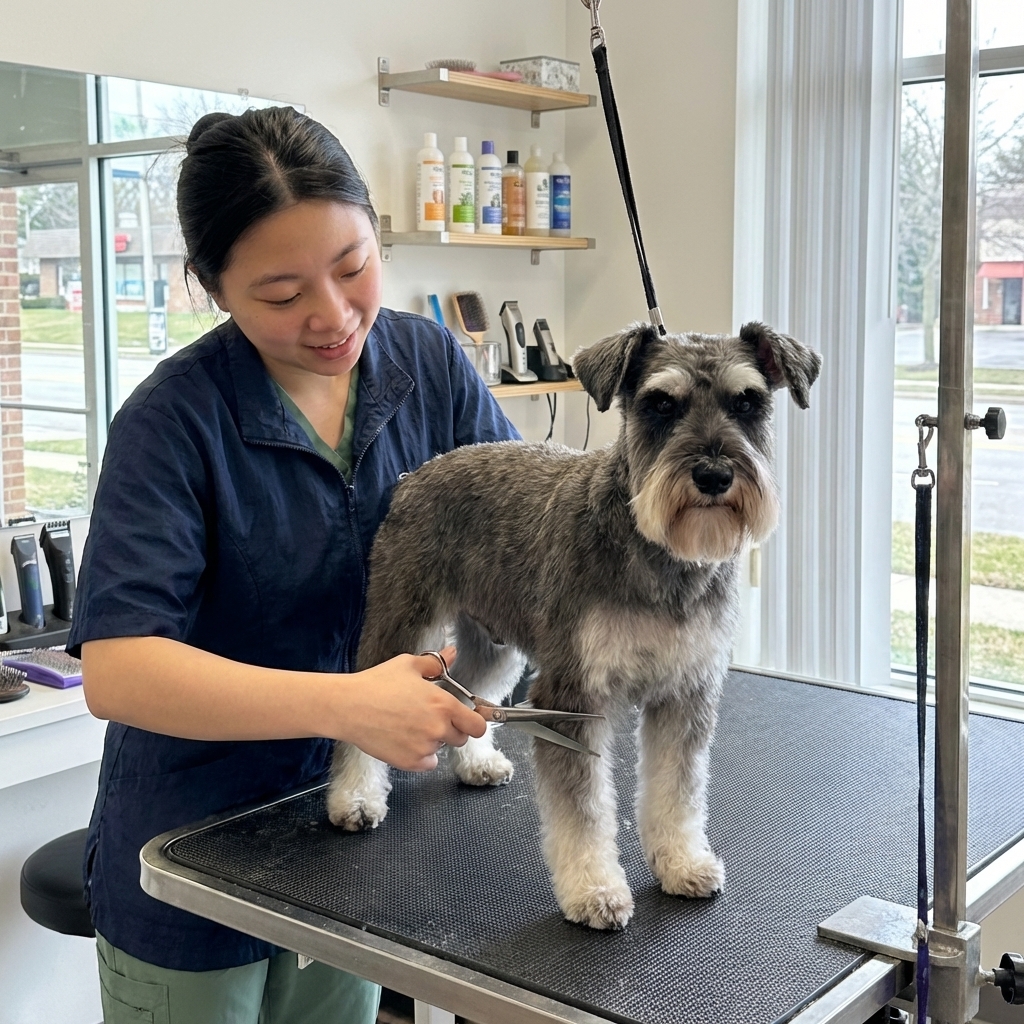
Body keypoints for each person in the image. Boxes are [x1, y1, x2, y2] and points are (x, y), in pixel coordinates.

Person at [70, 106, 519, 1024]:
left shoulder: (430, 363)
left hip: (349, 836)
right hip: (191, 849)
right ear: (212, 286)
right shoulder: (171, 424)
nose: (333, 315)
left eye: (354, 266)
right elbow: (119, 670)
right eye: (281, 294)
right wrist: (351, 704)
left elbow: (521, 525)